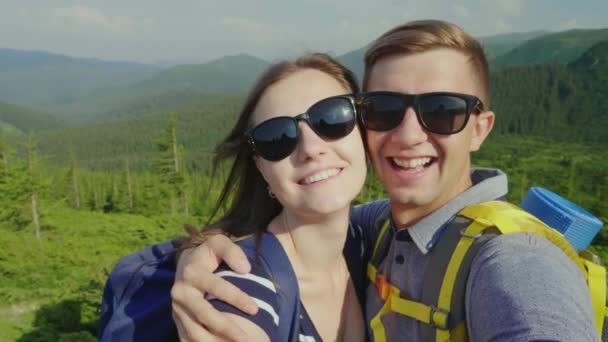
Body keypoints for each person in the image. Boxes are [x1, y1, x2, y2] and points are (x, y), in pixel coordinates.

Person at [101, 20, 598, 341]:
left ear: (480, 128)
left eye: (442, 111)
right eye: (384, 109)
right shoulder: (361, 235)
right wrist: (203, 247)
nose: (408, 135)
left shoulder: (512, 258)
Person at [99, 53, 369, 341]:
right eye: (277, 137)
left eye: (332, 117)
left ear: (365, 129)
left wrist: (191, 249)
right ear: (261, 168)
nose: (311, 148)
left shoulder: (374, 239)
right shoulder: (246, 282)